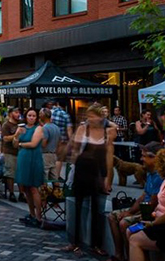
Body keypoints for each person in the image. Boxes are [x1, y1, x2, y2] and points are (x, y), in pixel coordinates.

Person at [61, 103, 116, 256]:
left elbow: (109, 156)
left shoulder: (108, 131)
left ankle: (96, 244)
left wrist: (108, 178)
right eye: (89, 116)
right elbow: (76, 151)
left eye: (93, 116)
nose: (90, 119)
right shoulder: (82, 129)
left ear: (101, 117)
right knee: (78, 207)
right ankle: (75, 242)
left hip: (98, 172)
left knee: (97, 210)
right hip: (82, 170)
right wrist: (70, 170)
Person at [107, 141, 164, 261]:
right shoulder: (150, 173)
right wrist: (130, 210)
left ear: (155, 157)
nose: (141, 159)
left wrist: (130, 213)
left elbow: (152, 203)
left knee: (124, 223)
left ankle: (130, 256)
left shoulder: (159, 176)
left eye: (144, 156)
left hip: (150, 212)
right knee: (112, 216)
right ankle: (119, 255)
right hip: (143, 207)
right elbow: (143, 196)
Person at [14, 108, 46, 227]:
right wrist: (17, 135)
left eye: (34, 116)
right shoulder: (22, 128)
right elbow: (14, 144)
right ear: (26, 117)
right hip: (23, 158)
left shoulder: (38, 128)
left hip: (33, 158)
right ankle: (31, 214)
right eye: (29, 115)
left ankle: (38, 216)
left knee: (33, 188)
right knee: (25, 188)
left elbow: (33, 144)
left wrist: (21, 144)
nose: (31, 117)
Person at [1, 107, 25, 202]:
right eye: (16, 112)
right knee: (10, 173)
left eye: (19, 112)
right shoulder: (6, 125)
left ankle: (21, 193)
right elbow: (5, 138)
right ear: (10, 114)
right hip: (10, 152)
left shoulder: (21, 123)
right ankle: (11, 193)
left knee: (21, 173)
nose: (18, 114)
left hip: (21, 151)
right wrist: (16, 134)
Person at [51, 100, 74, 181]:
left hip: (50, 139)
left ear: (57, 104)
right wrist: (71, 141)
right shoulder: (65, 115)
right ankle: (56, 177)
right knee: (59, 159)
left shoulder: (51, 112)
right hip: (62, 140)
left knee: (51, 158)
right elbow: (69, 129)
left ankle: (50, 175)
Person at [40, 108, 61, 183]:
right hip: (54, 154)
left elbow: (44, 143)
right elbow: (59, 142)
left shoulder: (45, 128)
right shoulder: (56, 127)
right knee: (54, 176)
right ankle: (57, 192)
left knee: (44, 176)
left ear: (43, 115)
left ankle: (44, 193)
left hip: (45, 154)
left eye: (40, 114)